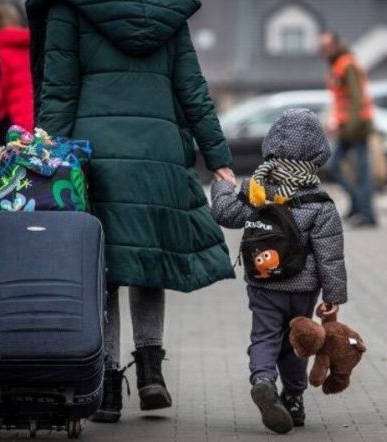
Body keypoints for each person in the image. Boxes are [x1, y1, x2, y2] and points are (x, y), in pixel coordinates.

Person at [27, 0, 236, 423]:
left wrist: (43, 157)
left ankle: (106, 385)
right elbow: (192, 89)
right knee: (146, 260)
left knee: (102, 268)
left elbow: (59, 91)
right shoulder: (168, 13)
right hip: (155, 157)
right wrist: (218, 157)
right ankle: (150, 371)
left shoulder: (71, 10)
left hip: (95, 156)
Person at [211, 108, 348, 434]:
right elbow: (330, 255)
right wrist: (333, 296)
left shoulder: (257, 188)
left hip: (263, 282)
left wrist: (222, 185)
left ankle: (262, 380)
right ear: (318, 152)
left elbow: (225, 213)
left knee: (265, 336)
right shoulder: (319, 201)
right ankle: (295, 400)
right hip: (303, 289)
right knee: (297, 341)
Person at [320, 31, 377, 227]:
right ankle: (358, 207)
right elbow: (340, 99)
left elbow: (357, 98)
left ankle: (366, 213)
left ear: (336, 45)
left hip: (357, 125)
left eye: (327, 46)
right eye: (322, 46)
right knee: (342, 168)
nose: (323, 50)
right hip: (348, 124)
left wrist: (350, 126)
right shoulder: (337, 65)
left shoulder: (347, 64)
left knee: (359, 171)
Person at [0, 4, 33, 132]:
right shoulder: (31, 47)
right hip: (37, 117)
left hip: (15, 122)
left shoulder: (0, 52)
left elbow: (0, 91)